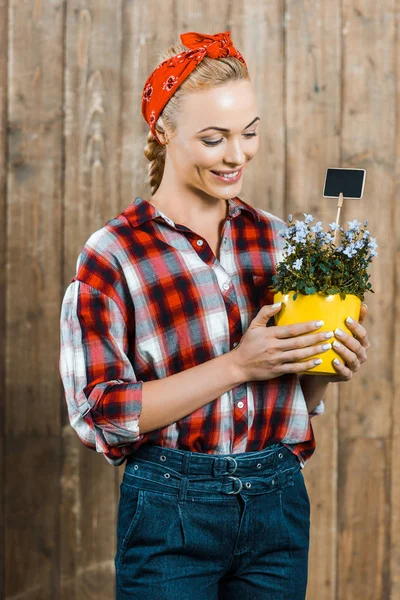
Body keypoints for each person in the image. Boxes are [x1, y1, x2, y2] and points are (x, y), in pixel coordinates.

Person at [59, 30, 370, 599]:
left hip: (276, 499)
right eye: (213, 138)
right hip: (170, 510)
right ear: (163, 132)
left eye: (248, 133)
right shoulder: (114, 254)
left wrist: (325, 364)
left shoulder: (279, 241)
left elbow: (299, 399)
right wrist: (237, 365)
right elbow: (101, 414)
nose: (237, 155)